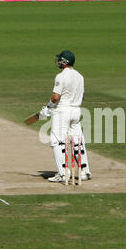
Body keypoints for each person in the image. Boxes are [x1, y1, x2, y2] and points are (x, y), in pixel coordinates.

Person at [39, 50, 92, 182]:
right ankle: (85, 172)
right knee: (77, 141)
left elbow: (56, 96)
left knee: (56, 141)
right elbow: (82, 95)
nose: (58, 61)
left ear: (64, 62)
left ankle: (63, 174)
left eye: (60, 59)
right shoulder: (80, 76)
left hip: (63, 111)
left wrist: (48, 108)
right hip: (76, 111)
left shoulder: (61, 76)